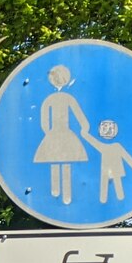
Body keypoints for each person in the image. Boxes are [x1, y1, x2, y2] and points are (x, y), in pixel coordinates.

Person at [33, 65, 90, 204]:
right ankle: (64, 196)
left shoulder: (50, 99)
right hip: (64, 133)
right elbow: (79, 115)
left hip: (55, 133)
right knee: (65, 162)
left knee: (56, 161)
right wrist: (85, 127)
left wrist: (49, 133)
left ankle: (57, 192)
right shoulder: (67, 98)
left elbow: (44, 122)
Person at [82, 120, 132, 203]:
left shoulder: (114, 146)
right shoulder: (108, 146)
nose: (107, 130)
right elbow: (93, 142)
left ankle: (115, 199)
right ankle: (106, 199)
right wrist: (85, 135)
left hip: (113, 169)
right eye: (105, 128)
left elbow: (125, 155)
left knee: (115, 183)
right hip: (107, 169)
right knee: (107, 183)